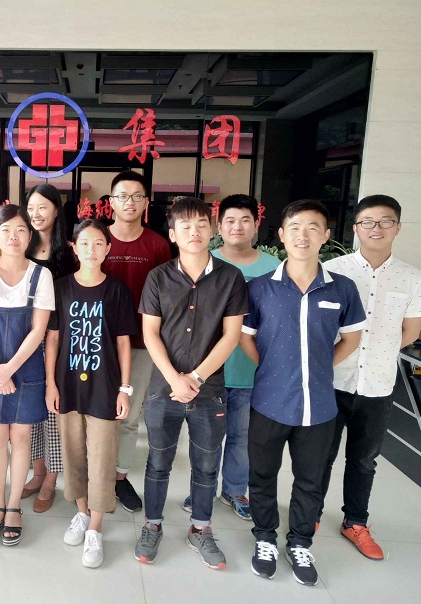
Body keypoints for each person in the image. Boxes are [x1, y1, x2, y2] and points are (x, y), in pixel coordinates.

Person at [241, 199, 365, 586]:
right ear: (281, 235)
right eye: (294, 227)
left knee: (310, 480)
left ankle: (299, 542)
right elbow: (245, 339)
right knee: (262, 474)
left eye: (313, 228)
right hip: (269, 402)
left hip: (320, 406)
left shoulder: (342, 288)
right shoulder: (259, 288)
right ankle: (265, 537)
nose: (303, 235)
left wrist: (320, 367)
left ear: (326, 236)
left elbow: (352, 337)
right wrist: (273, 368)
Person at [135, 198, 248, 570]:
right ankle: (152, 525)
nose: (194, 232)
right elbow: (150, 333)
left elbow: (231, 336)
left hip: (209, 390)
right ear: (172, 234)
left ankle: (200, 529)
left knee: (206, 464)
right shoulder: (158, 277)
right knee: (158, 461)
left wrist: (195, 379)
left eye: (201, 224)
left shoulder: (230, 278)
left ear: (212, 230)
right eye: (185, 226)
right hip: (162, 389)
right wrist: (174, 378)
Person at [319, 194, 421, 559]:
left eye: (385, 221)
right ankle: (311, 514)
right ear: (356, 228)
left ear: (398, 227)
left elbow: (411, 332)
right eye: (368, 221)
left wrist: (377, 351)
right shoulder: (332, 271)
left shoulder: (412, 278)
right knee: (320, 455)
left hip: (378, 384)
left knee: (364, 459)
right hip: (332, 380)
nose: (376, 228)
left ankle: (355, 522)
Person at [182, 194, 280, 521]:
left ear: (257, 224)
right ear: (219, 226)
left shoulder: (274, 268)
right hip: (208, 371)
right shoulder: (202, 262)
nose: (237, 227)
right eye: (230, 221)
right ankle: (203, 489)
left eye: (245, 220)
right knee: (205, 438)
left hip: (253, 371)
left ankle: (235, 490)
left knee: (242, 437)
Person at [47, 219, 137, 569]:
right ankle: (82, 512)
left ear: (108, 248)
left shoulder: (117, 291)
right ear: (74, 247)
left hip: (104, 387)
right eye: (84, 242)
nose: (91, 249)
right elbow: (53, 338)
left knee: (101, 456)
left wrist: (125, 389)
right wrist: (51, 383)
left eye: (99, 243)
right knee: (73, 452)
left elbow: (124, 343)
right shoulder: (60, 288)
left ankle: (96, 527)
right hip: (68, 385)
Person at [0, 204, 54, 545]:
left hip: (25, 367)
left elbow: (38, 330)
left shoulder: (41, 275)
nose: (13, 237)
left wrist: (9, 370)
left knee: (21, 437)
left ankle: (14, 505)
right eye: (6, 230)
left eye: (20, 230)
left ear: (30, 236)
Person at [102, 171, 171, 513]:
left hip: (142, 343)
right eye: (122, 196)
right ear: (111, 202)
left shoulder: (158, 245)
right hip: (98, 342)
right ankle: (94, 475)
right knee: (96, 413)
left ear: (146, 203)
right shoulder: (96, 238)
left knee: (128, 415)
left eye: (137, 196)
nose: (129, 202)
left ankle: (119, 477)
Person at [19, 183, 77, 513]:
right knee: (31, 407)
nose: (36, 214)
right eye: (31, 208)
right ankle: (37, 471)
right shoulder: (21, 248)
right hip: (25, 338)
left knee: (53, 409)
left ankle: (52, 478)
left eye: (42, 207)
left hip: (59, 338)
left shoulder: (69, 253)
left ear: (56, 210)